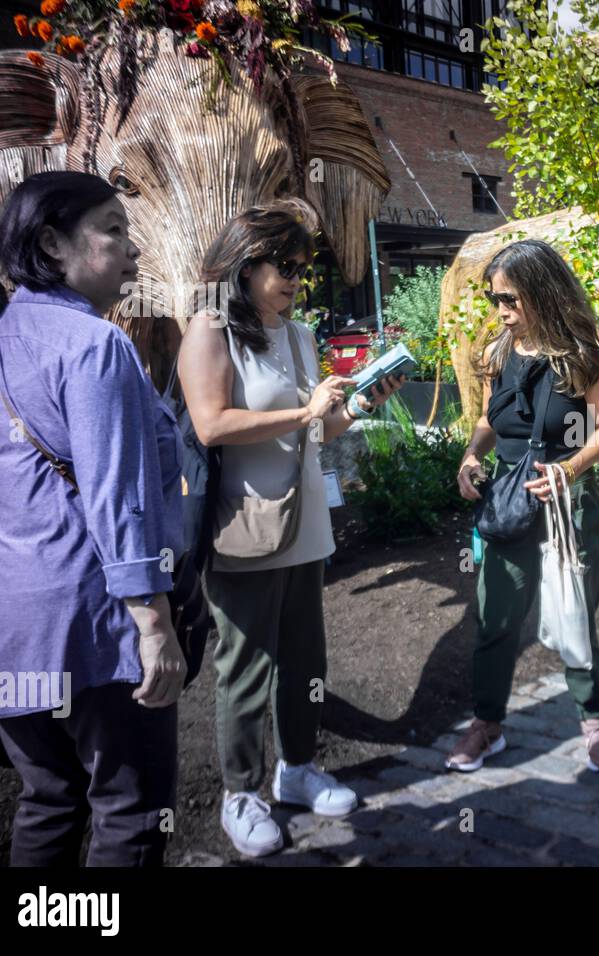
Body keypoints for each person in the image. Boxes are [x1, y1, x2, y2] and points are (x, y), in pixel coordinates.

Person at [0, 171, 183, 865]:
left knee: (47, 798)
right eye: (114, 231)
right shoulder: (96, 346)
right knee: (132, 808)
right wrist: (154, 626)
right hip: (87, 626)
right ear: (53, 242)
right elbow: (117, 498)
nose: (134, 250)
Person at [177, 201, 404, 857]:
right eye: (288, 267)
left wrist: (357, 405)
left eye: (305, 270)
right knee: (246, 668)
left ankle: (297, 770)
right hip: (246, 528)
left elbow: (317, 429)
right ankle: (240, 795)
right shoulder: (210, 330)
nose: (299, 281)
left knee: (305, 660)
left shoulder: (300, 336)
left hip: (305, 526)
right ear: (246, 264)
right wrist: (307, 409)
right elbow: (211, 424)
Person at [449, 239, 599, 774]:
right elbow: (488, 419)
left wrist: (569, 470)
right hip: (507, 502)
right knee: (496, 617)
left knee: (575, 614)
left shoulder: (579, 354)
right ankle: (487, 723)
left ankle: (594, 722)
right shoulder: (499, 353)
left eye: (510, 300)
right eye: (494, 299)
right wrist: (469, 456)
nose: (501, 311)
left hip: (567, 505)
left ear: (542, 293)